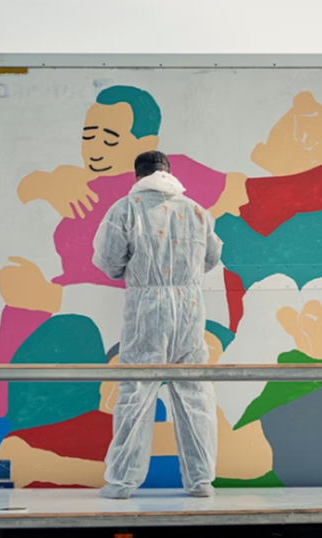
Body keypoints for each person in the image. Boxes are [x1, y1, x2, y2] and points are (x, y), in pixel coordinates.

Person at [91, 150, 224, 499]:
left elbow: (109, 262)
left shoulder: (126, 209)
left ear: (138, 176)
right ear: (168, 172)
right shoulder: (196, 210)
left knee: (136, 394)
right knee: (195, 396)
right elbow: (212, 257)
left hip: (145, 311)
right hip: (190, 311)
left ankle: (122, 483)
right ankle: (201, 481)